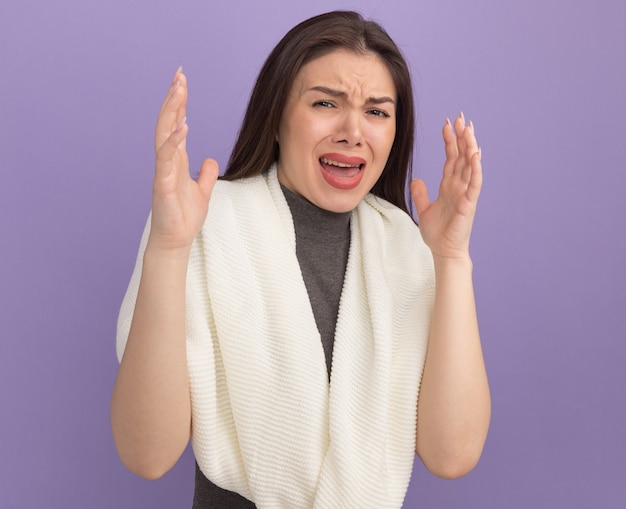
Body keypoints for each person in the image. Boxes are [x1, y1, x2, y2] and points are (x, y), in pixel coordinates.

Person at [111, 10, 491, 509]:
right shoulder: (203, 223)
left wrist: (452, 259)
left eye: (377, 111)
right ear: (277, 115)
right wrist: (168, 246)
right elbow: (148, 456)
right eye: (325, 103)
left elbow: (452, 456)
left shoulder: (408, 247)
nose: (353, 131)